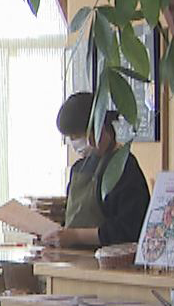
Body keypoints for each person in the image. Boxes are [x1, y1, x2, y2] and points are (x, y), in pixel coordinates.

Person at [42, 92, 149, 250]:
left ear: (98, 129)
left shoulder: (124, 167)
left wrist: (76, 236)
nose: (74, 143)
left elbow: (129, 230)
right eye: (71, 138)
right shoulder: (78, 168)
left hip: (109, 261)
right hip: (71, 259)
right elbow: (71, 219)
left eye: (77, 136)